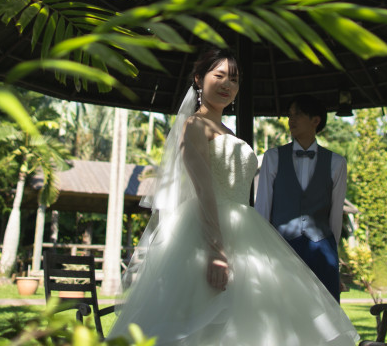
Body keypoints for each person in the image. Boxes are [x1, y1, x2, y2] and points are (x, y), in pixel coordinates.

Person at [108, 48, 359, 346]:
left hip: (247, 229)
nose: (228, 83)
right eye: (220, 75)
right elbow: (202, 189)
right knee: (204, 324)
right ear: (199, 80)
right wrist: (216, 249)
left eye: (235, 78)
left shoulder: (229, 130)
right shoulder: (194, 125)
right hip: (208, 233)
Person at [254, 95, 348, 302]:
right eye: (289, 115)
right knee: (283, 311)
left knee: (325, 314)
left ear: (316, 120)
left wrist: (333, 252)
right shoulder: (273, 157)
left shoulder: (336, 163)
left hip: (322, 250)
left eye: (298, 114)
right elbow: (262, 208)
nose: (291, 120)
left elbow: (336, 215)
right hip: (281, 248)